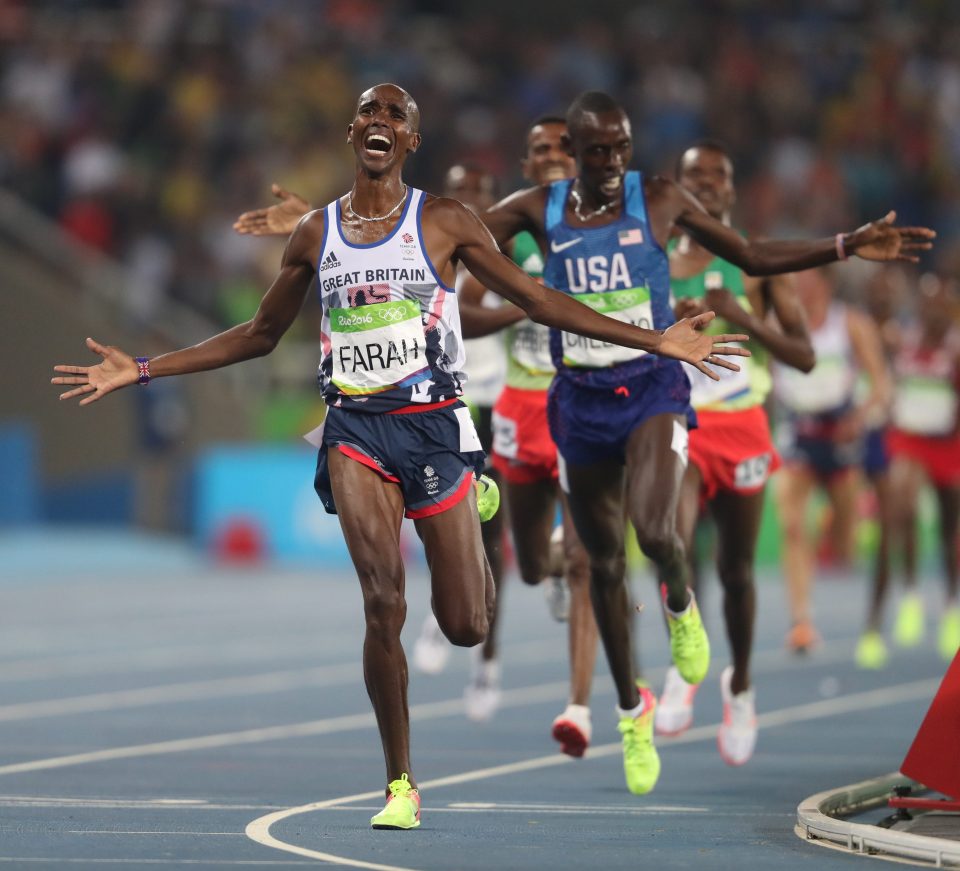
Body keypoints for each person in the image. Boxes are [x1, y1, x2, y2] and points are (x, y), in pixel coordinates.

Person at [54, 84, 751, 825]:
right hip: (355, 427)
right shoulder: (316, 235)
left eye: (397, 116)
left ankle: (476, 494)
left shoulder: (445, 220)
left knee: (467, 624)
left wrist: (654, 339)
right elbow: (259, 335)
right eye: (370, 113)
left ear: (412, 141)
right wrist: (144, 366)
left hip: (433, 426)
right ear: (353, 130)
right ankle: (400, 784)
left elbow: (538, 299)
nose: (380, 123)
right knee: (382, 599)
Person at [477, 90, 931, 796]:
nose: (610, 162)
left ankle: (683, 605)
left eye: (620, 147)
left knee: (657, 531)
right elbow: (446, 242)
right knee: (601, 564)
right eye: (596, 151)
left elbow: (750, 251)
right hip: (579, 403)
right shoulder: (538, 210)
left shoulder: (656, 197)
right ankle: (632, 710)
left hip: (655, 384)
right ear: (572, 150)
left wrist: (845, 243)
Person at [655, 142, 815, 765]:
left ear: (731, 191)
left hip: (744, 427)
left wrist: (741, 314)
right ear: (680, 188)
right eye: (695, 175)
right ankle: (683, 666)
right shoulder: (655, 259)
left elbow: (803, 356)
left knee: (736, 573)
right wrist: (671, 322)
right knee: (673, 539)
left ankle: (740, 685)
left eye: (718, 176)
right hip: (682, 421)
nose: (707, 185)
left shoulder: (756, 263)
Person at [407, 162, 511, 722]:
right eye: (463, 190)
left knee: (493, 532)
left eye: (482, 190)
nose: (473, 198)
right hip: (450, 399)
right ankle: (436, 611)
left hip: (503, 403)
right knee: (442, 514)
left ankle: (487, 666)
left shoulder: (509, 252)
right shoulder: (433, 247)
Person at [771, 267, 891, 654]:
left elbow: (881, 383)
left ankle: (851, 521)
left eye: (806, 280)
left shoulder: (850, 323)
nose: (799, 288)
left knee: (845, 547)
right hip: (798, 431)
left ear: (824, 284)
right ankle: (800, 621)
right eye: (794, 281)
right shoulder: (777, 324)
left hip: (840, 431)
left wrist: (858, 419)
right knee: (790, 523)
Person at [884, 272, 960, 661]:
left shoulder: (955, 347)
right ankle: (911, 594)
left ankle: (950, 604)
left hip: (947, 443)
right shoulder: (905, 340)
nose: (933, 312)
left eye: (940, 304)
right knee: (903, 505)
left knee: (950, 529)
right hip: (909, 437)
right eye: (927, 303)